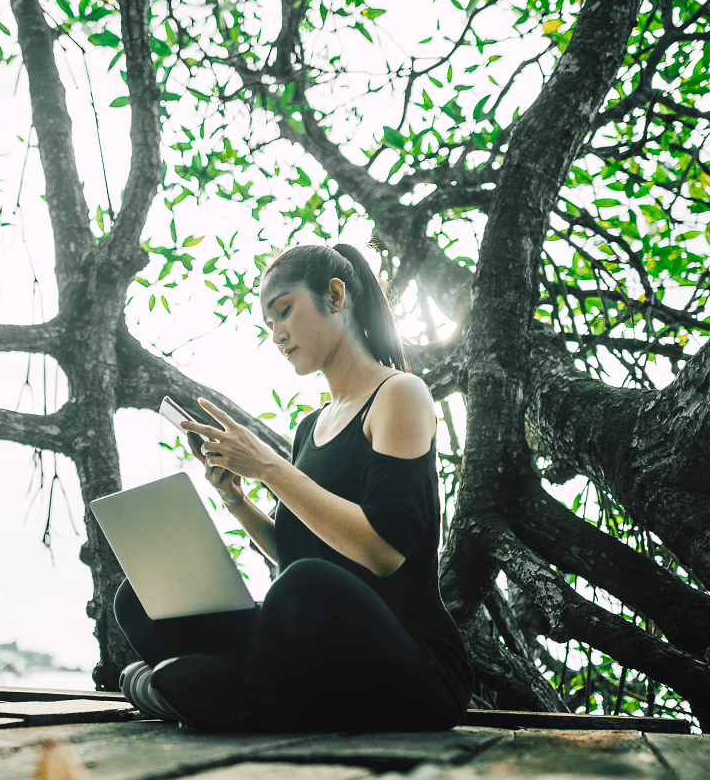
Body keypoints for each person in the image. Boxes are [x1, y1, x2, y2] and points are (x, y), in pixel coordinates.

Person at [113, 243, 472, 732]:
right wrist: (236, 500)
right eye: (268, 325)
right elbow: (298, 548)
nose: (277, 335)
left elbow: (384, 551)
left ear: (336, 296)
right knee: (142, 597)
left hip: (416, 671)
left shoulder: (399, 395)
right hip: (323, 657)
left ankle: (229, 694)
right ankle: (236, 693)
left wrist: (269, 468)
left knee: (303, 586)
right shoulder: (311, 427)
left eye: (285, 311)